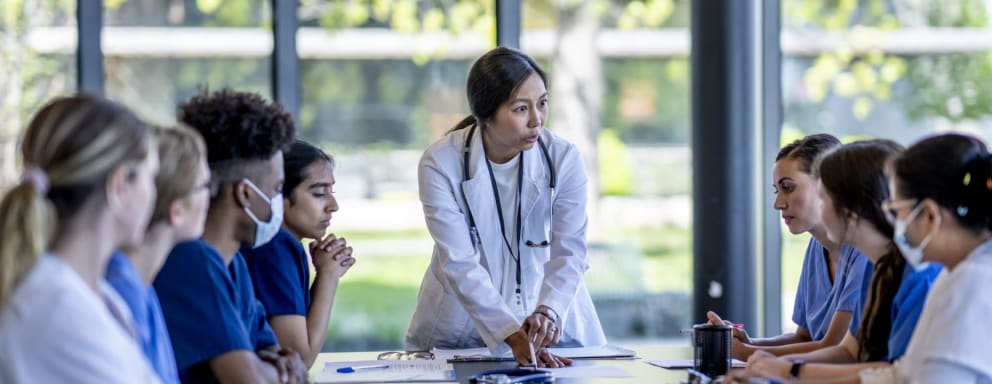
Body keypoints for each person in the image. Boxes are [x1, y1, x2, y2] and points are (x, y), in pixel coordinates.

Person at [405, 46, 606, 368]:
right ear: (487, 113)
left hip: (553, 325)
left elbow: (570, 250)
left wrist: (548, 311)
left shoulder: (563, 158)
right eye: (520, 109)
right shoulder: (441, 162)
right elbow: (458, 262)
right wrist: (509, 333)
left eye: (542, 103)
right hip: (461, 329)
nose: (537, 120)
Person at [730, 140, 941, 382]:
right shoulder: (879, 266)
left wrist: (785, 370)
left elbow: (892, 375)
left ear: (852, 209)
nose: (821, 207)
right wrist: (767, 365)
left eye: (824, 198)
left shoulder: (918, 277)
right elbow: (849, 351)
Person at [0, 94, 162, 383]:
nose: (154, 193)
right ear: (120, 185)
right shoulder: (57, 308)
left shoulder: (96, 296)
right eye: (151, 177)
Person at [153, 89, 307, 384]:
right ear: (245, 193)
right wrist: (275, 372)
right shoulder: (191, 259)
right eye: (276, 190)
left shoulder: (233, 263)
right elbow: (248, 379)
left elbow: (283, 356)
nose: (278, 201)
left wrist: (276, 367)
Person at [708, 134, 871, 360]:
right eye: (777, 190)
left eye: (788, 188)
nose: (778, 203)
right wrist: (749, 342)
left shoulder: (864, 251)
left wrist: (744, 353)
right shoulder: (816, 247)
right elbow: (804, 337)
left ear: (828, 185)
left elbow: (834, 347)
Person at [105, 124, 212, 384]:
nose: (211, 196)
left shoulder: (138, 283)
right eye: (204, 186)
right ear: (177, 210)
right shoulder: (120, 292)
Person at [886, 133, 992, 382]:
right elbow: (903, 374)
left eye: (897, 211)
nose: (897, 224)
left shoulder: (971, 283)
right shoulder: (957, 272)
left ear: (930, 215)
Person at [242, 140, 355, 367]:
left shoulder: (286, 245)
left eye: (331, 191)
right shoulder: (275, 247)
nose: (333, 205)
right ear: (277, 195)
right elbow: (300, 359)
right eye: (320, 193)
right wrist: (328, 276)